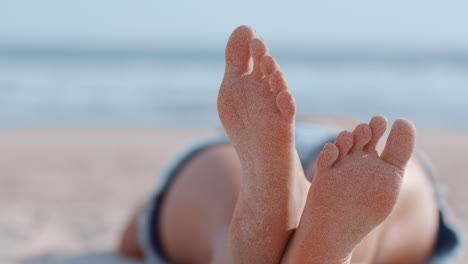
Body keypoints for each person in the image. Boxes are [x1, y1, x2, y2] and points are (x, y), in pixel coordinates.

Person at [115, 26, 461, 264]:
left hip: (230, 152)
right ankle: (344, 252)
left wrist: (134, 230)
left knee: (220, 217)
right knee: (376, 224)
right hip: (367, 152)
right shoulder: (352, 135)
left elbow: (132, 240)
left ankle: (235, 249)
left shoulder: (247, 138)